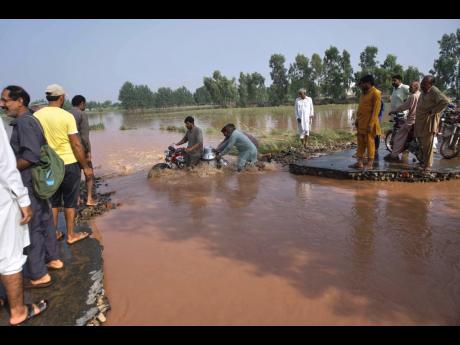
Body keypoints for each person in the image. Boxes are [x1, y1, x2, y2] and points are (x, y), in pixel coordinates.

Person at [1, 86, 63, 289]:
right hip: (38, 181)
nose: (2, 104)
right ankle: (53, 258)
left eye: (5, 100)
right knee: (45, 219)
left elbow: (30, 156)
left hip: (29, 181)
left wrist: (9, 167)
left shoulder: (24, 123)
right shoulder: (30, 119)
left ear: (20, 101)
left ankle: (38, 273)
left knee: (32, 226)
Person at [0, 119, 48, 326]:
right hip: (3, 198)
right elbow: (6, 165)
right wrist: (23, 199)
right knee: (9, 255)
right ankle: (18, 311)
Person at [34, 84, 93, 245]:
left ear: (47, 97)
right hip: (68, 163)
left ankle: (53, 235)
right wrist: (86, 167)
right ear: (62, 98)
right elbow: (76, 144)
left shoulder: (37, 116)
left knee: (52, 201)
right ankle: (71, 235)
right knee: (69, 201)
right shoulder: (67, 116)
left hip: (48, 165)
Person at [414, 75, 450, 171]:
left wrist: (433, 111)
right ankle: (423, 162)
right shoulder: (424, 92)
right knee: (422, 145)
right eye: (422, 82)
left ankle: (428, 166)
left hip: (429, 122)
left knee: (428, 145)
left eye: (424, 83)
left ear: (430, 84)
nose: (422, 84)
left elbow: (446, 101)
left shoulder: (434, 90)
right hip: (421, 122)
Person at [384, 81, 421, 162]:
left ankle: (394, 155)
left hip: (411, 121)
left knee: (398, 138)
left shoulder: (413, 96)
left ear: (416, 87)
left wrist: (394, 111)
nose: (409, 88)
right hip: (419, 121)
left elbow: (404, 106)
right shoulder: (421, 95)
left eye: (411, 87)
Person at [351, 75, 382, 170]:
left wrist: (371, 124)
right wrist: (357, 119)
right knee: (360, 143)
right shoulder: (363, 93)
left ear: (368, 83)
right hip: (361, 122)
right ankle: (359, 162)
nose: (361, 86)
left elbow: (376, 111)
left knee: (370, 143)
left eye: (363, 84)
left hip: (369, 124)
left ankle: (370, 163)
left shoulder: (376, 93)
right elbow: (361, 107)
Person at [69, 95, 96, 206]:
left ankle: (77, 199)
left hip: (69, 149)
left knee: (76, 175)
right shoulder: (82, 114)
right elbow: (85, 136)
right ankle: (89, 198)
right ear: (81, 103)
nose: (85, 106)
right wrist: (88, 151)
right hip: (81, 148)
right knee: (89, 172)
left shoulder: (66, 114)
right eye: (84, 104)